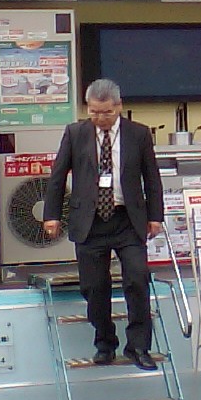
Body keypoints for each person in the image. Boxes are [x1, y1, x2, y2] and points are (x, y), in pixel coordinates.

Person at [43, 79, 164, 370]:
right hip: (90, 221)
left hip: (127, 219)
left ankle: (138, 346)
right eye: (94, 112)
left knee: (137, 279)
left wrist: (155, 216)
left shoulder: (139, 134)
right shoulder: (75, 133)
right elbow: (58, 176)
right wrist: (51, 215)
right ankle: (105, 342)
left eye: (107, 112)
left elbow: (152, 177)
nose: (100, 118)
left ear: (119, 106)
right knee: (94, 286)